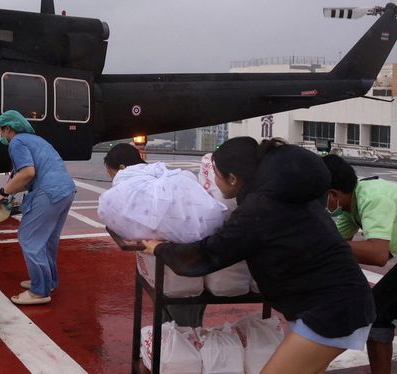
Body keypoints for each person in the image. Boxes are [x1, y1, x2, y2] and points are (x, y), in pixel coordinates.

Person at [142, 137, 375, 374]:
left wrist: (158, 247)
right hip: (339, 301)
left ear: (233, 178)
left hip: (332, 312)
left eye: (216, 175)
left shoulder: (261, 208)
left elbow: (206, 256)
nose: (214, 181)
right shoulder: (287, 193)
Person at [103, 143, 206, 328]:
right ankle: (175, 345)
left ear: (121, 168)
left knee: (182, 319)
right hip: (189, 253)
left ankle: (182, 348)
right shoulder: (161, 175)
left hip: (180, 261)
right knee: (173, 314)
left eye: (111, 172)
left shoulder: (137, 184)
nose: (111, 178)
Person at [323, 154, 397, 374]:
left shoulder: (372, 196)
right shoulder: (351, 206)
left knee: (379, 313)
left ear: (333, 193)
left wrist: (322, 242)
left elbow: (377, 254)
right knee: (379, 315)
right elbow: (337, 243)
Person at [0, 110, 76, 305]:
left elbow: (27, 173)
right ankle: (49, 281)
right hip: (66, 190)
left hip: (48, 191)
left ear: (8, 129)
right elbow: (24, 177)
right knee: (48, 239)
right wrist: (9, 191)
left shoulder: (17, 142)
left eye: (0, 130)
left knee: (29, 238)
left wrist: (3, 193)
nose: (0, 135)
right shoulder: (36, 140)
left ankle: (39, 290)